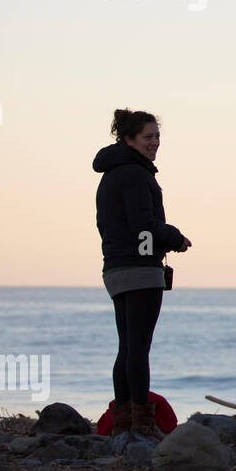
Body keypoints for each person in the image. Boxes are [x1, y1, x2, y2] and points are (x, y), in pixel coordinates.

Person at [93, 109, 192, 440]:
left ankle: (122, 423)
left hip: (115, 269)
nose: (155, 143)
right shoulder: (135, 175)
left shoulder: (111, 174)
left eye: (157, 137)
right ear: (129, 139)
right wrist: (175, 238)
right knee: (138, 348)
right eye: (148, 137)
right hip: (139, 270)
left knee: (126, 346)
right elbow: (143, 228)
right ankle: (141, 425)